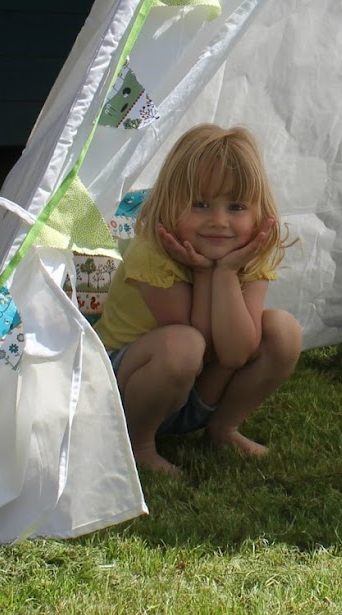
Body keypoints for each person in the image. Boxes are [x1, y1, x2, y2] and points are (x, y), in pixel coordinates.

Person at [93, 124, 302, 475]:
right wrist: (206, 273)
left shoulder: (249, 254)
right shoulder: (152, 252)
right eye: (200, 204)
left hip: (197, 391)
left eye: (236, 207)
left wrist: (223, 273)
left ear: (257, 212)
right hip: (125, 388)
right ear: (170, 203)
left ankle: (223, 428)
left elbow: (235, 353)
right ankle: (138, 443)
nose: (219, 222)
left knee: (284, 331)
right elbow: (201, 346)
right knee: (184, 345)